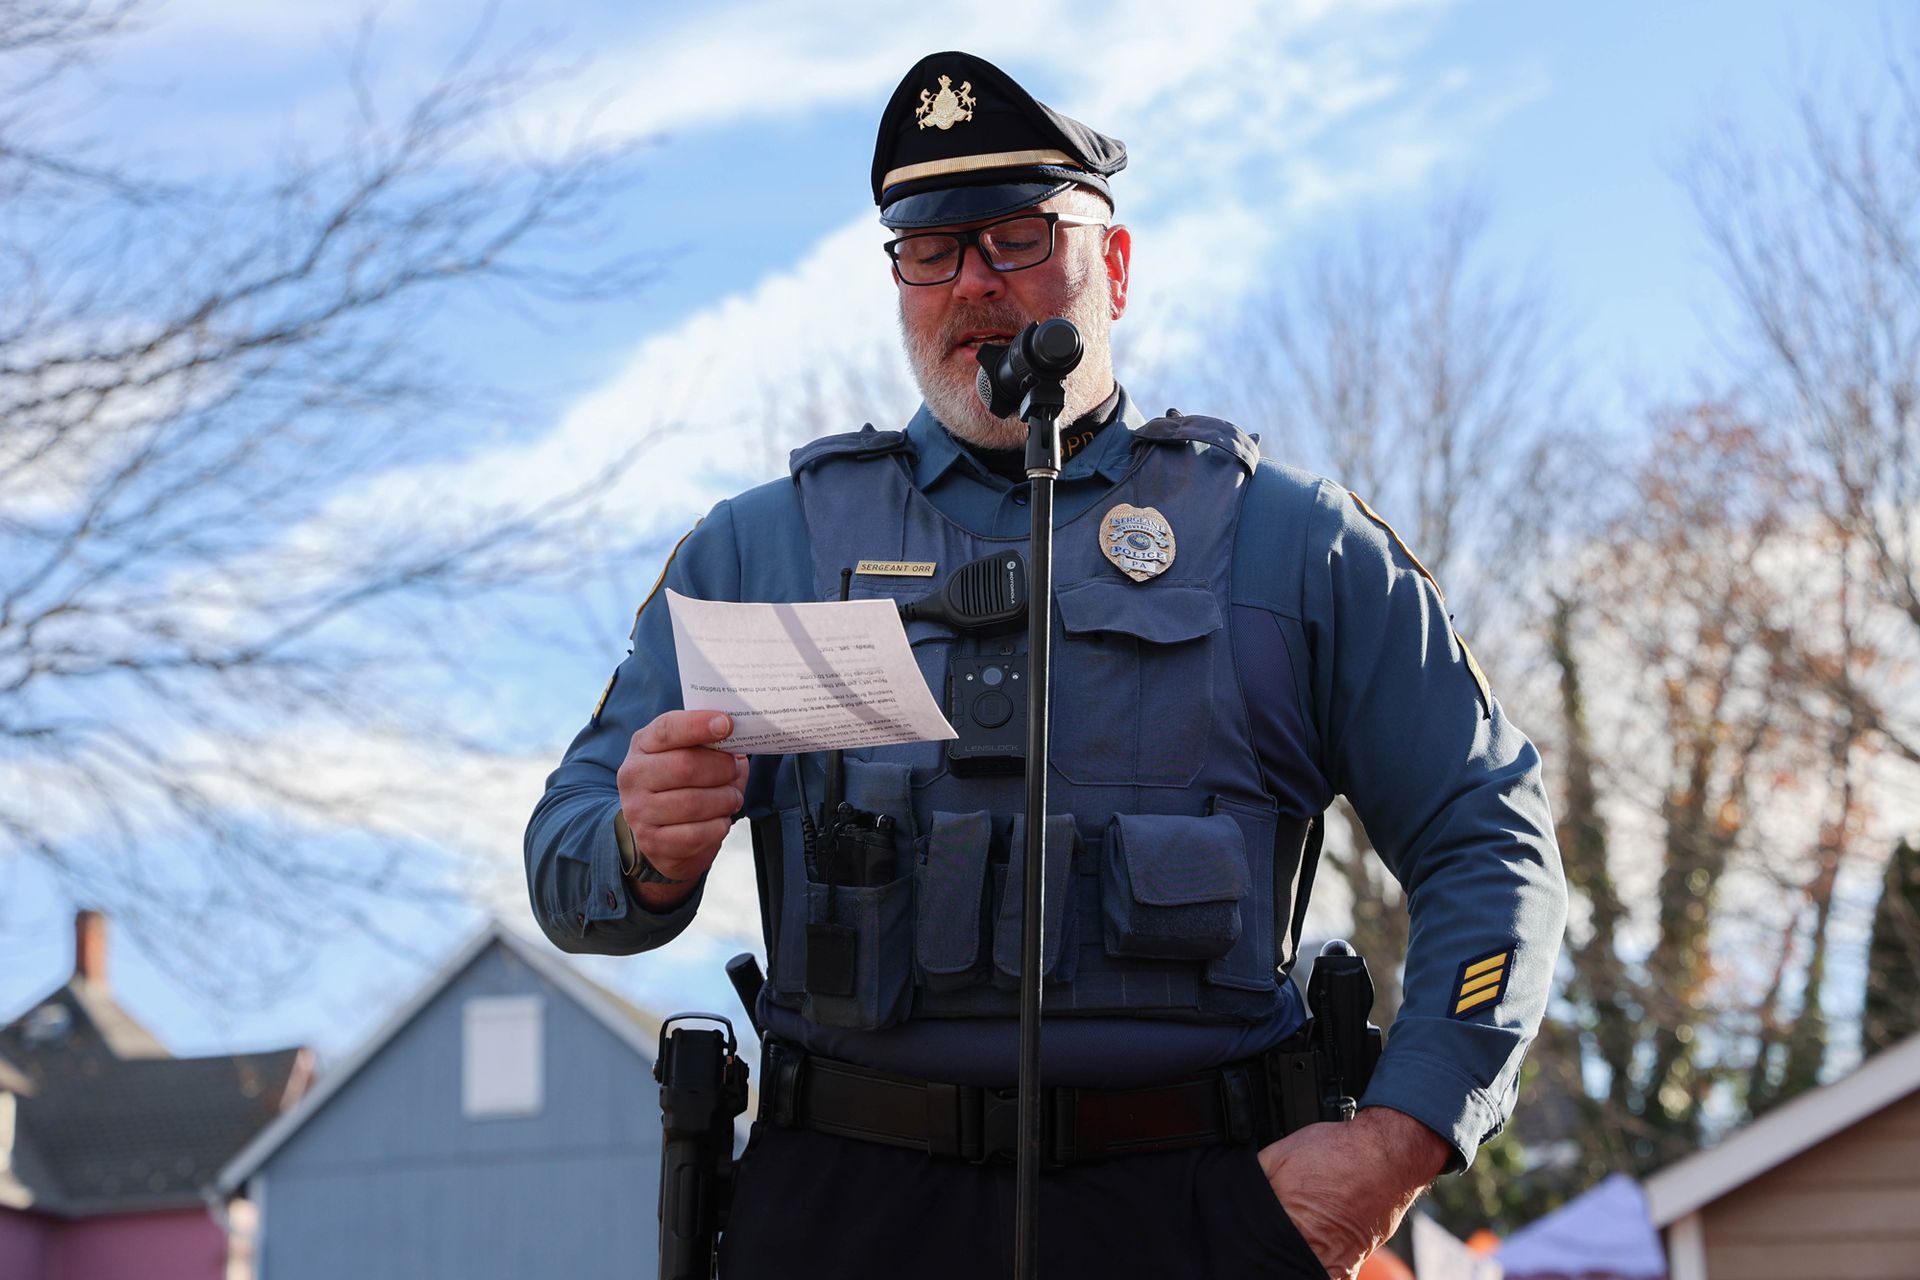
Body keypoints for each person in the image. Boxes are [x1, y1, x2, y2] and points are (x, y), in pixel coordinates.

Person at [526, 50, 1566, 1280]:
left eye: (1018, 237)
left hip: (1203, 1211)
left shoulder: (1292, 542)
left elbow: (1488, 832)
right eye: (930, 249)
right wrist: (641, 846)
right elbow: (566, 857)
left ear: (1112, 265)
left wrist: (1400, 1137)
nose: (973, 281)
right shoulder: (762, 550)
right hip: (849, 1214)